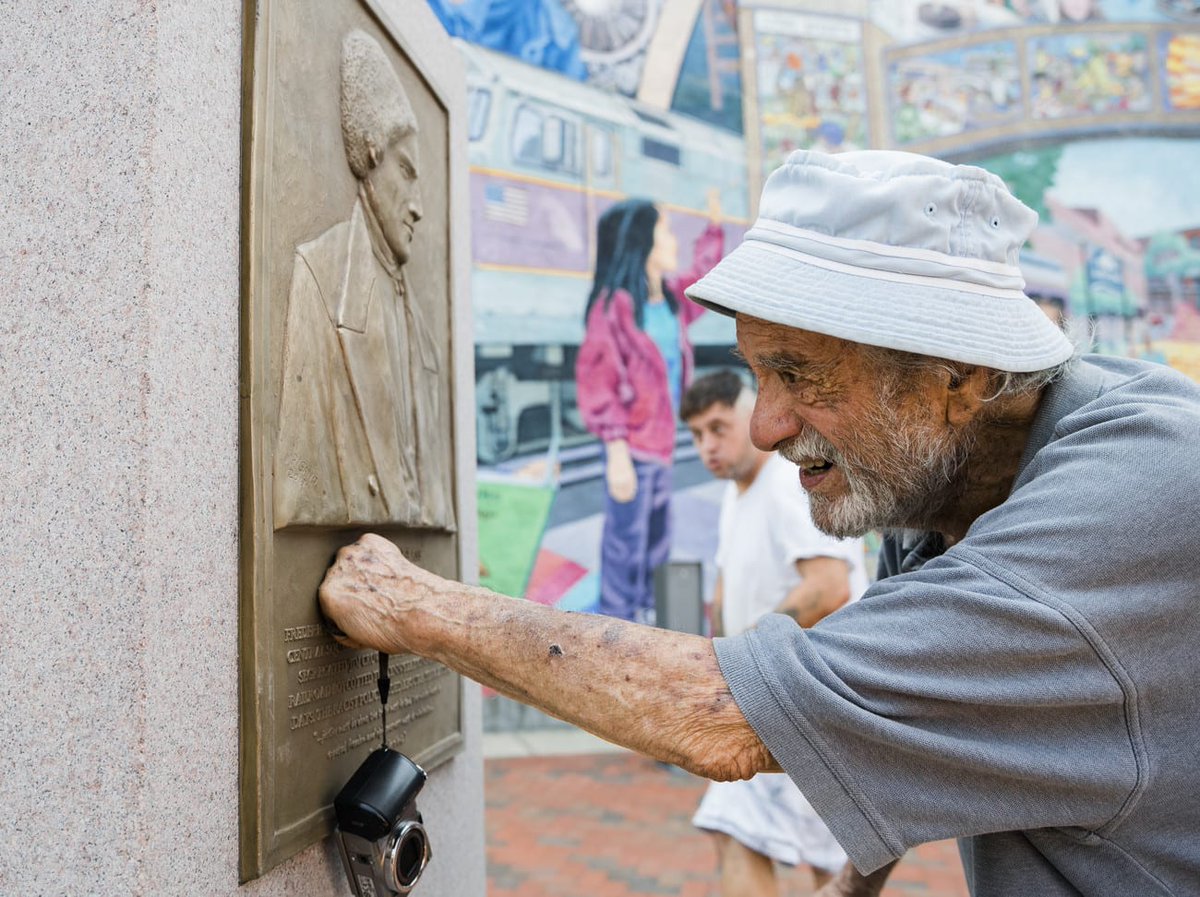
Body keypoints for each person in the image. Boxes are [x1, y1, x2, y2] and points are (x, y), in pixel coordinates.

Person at [321, 150, 1200, 896]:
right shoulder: (950, 478)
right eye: (757, 372)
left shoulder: (1125, 500)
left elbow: (720, 715)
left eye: (800, 372)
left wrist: (413, 606)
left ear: (959, 374)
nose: (766, 425)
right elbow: (893, 727)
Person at [681, 370, 868, 894]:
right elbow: (726, 590)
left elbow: (829, 587)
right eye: (697, 435)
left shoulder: (789, 482)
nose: (708, 446)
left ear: (754, 416)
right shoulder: (738, 495)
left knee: (735, 826)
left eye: (719, 428)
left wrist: (742, 659)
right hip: (800, 702)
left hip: (801, 696)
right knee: (833, 868)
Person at [273, 30, 454, 531]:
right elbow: (297, 490)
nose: (418, 207)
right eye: (406, 171)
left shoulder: (419, 330)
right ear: (371, 152)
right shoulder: (319, 278)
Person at [574, 197, 724, 622]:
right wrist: (617, 455)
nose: (673, 240)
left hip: (661, 449)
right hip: (634, 452)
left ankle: (647, 626)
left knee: (658, 543)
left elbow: (705, 281)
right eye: (666, 231)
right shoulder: (614, 307)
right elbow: (599, 382)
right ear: (642, 241)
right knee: (625, 548)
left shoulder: (672, 302)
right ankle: (617, 629)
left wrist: (712, 232)